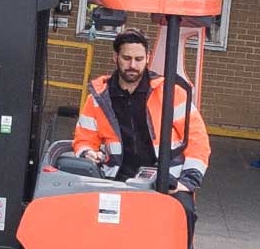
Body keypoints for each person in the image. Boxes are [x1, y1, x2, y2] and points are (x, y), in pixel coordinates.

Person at [73, 30, 212, 227]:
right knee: (90, 219)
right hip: (115, 179)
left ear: (147, 58)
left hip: (166, 180)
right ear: (115, 57)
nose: (132, 65)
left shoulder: (171, 93)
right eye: (126, 58)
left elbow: (198, 141)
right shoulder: (98, 98)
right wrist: (88, 153)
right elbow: (84, 139)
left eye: (139, 59)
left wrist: (187, 182)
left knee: (183, 214)